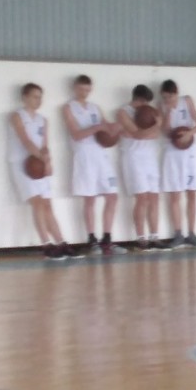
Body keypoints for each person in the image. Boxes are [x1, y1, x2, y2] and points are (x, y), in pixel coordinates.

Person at [8, 83, 80, 261]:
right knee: (38, 203)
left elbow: (45, 145)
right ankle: (46, 245)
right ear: (24, 97)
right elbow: (25, 140)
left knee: (47, 204)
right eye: (35, 96)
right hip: (23, 164)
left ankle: (61, 242)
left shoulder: (43, 120)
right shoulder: (17, 116)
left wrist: (48, 162)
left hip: (39, 163)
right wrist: (41, 158)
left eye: (40, 97)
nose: (38, 100)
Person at [63, 74, 126, 256]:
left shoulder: (95, 108)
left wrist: (119, 125)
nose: (85, 92)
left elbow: (107, 127)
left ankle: (107, 239)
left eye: (88, 90)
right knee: (89, 198)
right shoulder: (68, 108)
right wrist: (96, 128)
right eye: (82, 89)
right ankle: (92, 240)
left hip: (101, 155)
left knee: (112, 196)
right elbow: (76, 134)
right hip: (84, 156)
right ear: (75, 88)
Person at [117, 85, 168, 252]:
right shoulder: (123, 112)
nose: (146, 105)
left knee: (154, 197)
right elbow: (138, 134)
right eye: (144, 102)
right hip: (133, 158)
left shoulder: (151, 112)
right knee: (142, 198)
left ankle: (154, 236)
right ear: (137, 99)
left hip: (149, 157)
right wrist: (156, 125)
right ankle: (141, 238)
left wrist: (150, 130)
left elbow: (154, 135)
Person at [159, 79, 196, 249]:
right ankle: (178, 233)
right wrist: (168, 112)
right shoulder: (162, 106)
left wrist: (189, 133)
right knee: (175, 194)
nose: (168, 100)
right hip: (172, 153)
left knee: (192, 192)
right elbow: (164, 131)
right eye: (165, 97)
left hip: (190, 152)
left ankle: (192, 233)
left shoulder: (187, 101)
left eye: (170, 97)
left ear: (176, 94)